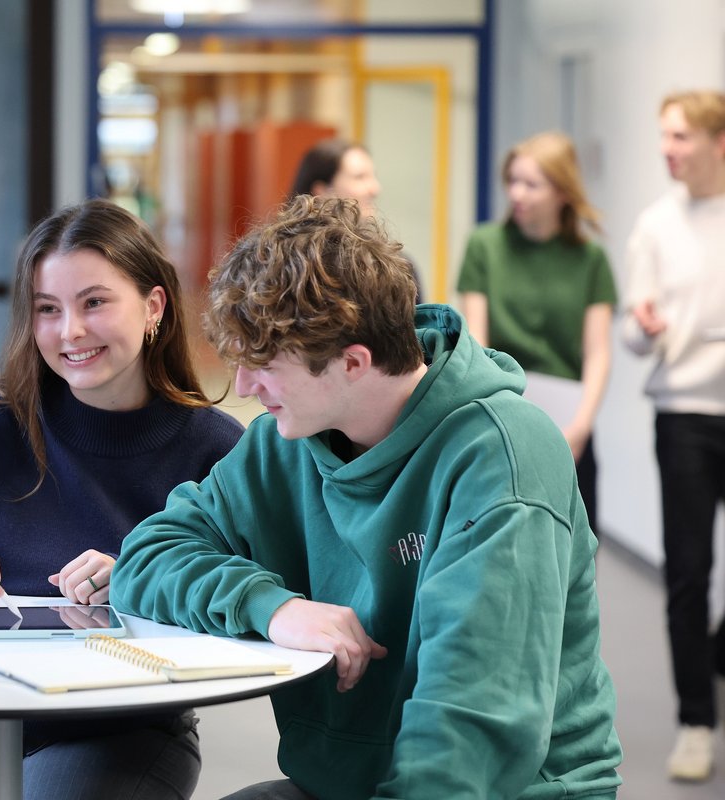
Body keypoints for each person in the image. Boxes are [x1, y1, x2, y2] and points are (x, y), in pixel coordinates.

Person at [111, 196, 623, 800]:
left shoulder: (503, 454)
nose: (245, 387)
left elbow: (471, 728)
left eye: (264, 365)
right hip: (339, 784)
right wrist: (273, 607)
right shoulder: (288, 441)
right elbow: (146, 556)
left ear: (353, 362)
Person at [0, 198, 244, 799]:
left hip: (121, 721)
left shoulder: (215, 449)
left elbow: (253, 583)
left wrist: (144, 579)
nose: (71, 332)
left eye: (95, 302)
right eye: (48, 310)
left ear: (153, 306)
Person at [621, 89, 725, 783]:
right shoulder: (655, 226)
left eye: (681, 136)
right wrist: (644, 328)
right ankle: (696, 720)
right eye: (664, 136)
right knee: (688, 574)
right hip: (684, 417)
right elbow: (631, 330)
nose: (668, 149)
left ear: (719, 143)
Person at [457, 131, 616, 535]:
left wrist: (580, 428)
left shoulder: (590, 259)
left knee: (573, 545)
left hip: (568, 422)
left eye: (531, 184)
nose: (517, 193)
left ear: (562, 192)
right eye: (512, 181)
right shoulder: (484, 245)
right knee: (501, 542)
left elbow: (598, 353)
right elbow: (477, 343)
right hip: (502, 413)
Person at [289, 138, 424, 302]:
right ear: (321, 191)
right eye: (360, 177)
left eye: (373, 176)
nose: (375, 188)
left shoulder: (396, 266)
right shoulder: (290, 264)